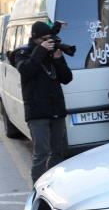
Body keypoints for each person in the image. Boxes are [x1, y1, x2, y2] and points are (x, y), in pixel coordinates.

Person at [13, 21, 73, 183]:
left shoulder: (52, 52)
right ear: (35, 38)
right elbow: (26, 70)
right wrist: (40, 50)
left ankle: (54, 185)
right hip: (37, 112)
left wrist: (58, 60)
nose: (48, 42)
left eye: (50, 38)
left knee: (58, 152)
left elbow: (67, 78)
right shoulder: (22, 53)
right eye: (44, 39)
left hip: (56, 109)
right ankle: (37, 189)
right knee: (41, 153)